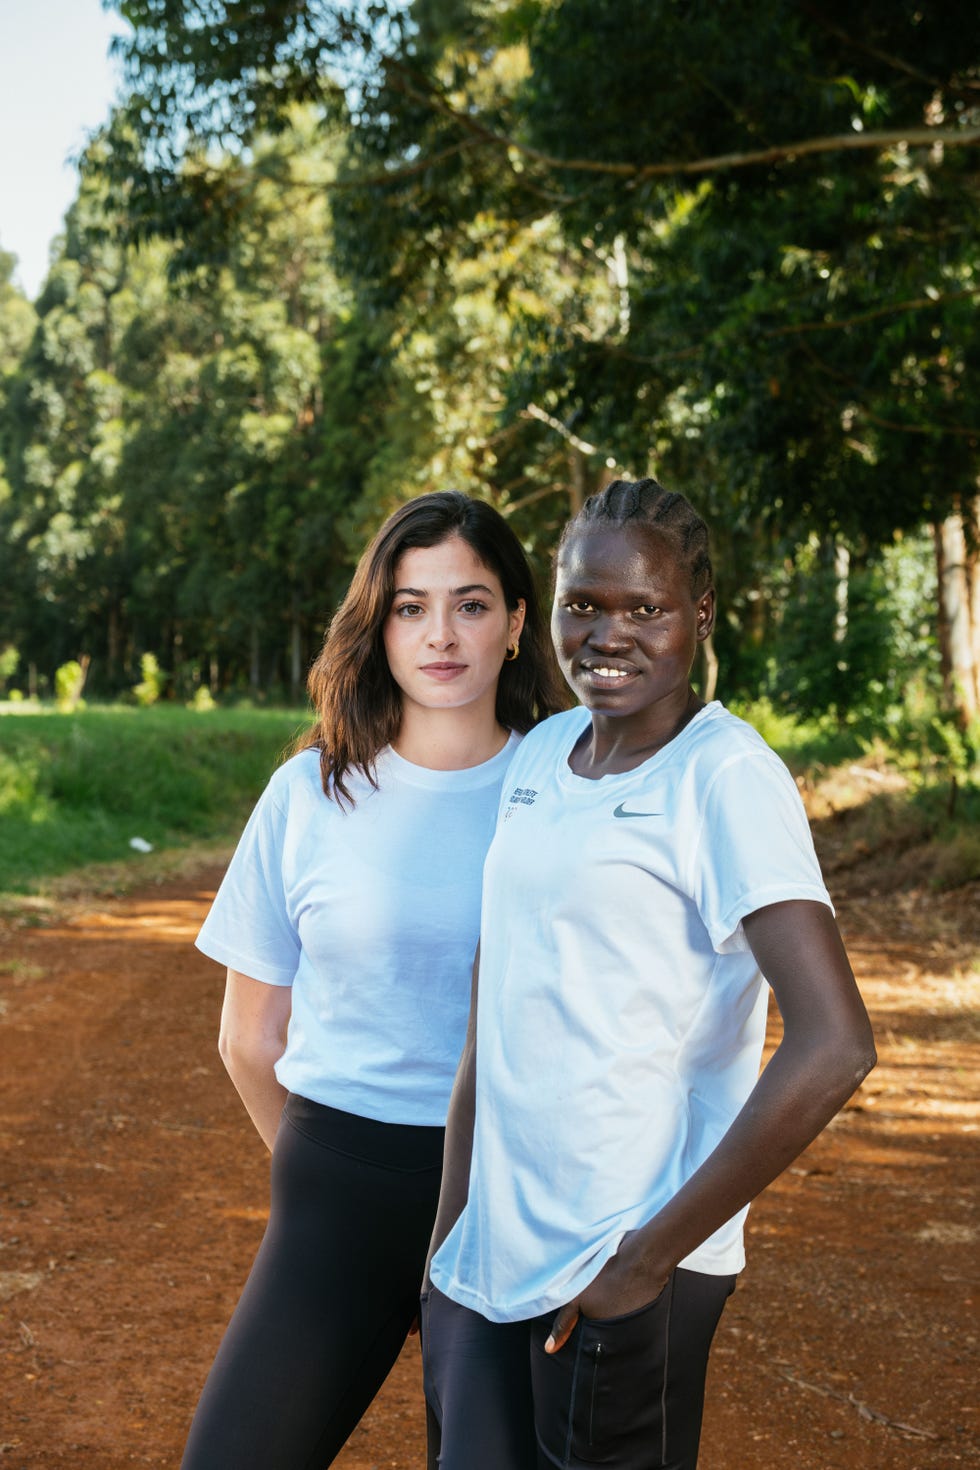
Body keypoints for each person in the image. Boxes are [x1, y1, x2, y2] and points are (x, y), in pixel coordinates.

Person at [422, 477, 877, 1470]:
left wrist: (643, 1263)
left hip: (619, 1271)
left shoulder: (722, 777)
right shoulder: (541, 755)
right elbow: (490, 1008)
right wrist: (448, 1234)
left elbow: (835, 1045)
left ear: (698, 617)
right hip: (488, 1263)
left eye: (644, 609)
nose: (606, 634)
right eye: (583, 604)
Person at [181, 490, 567, 1470]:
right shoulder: (308, 793)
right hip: (339, 1187)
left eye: (471, 604)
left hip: (506, 1196)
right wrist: (319, 1189)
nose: (440, 634)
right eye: (410, 606)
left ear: (517, 623)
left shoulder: (571, 797)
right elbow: (247, 1038)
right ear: (378, 624)